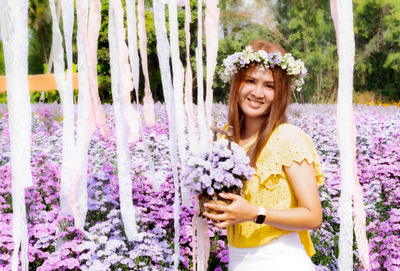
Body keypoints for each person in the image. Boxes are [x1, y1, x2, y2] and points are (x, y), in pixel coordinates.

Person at [202, 40, 325, 270]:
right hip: (238, 260)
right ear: (237, 83)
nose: (258, 93)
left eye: (269, 85)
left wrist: (254, 213)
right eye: (250, 81)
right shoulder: (224, 139)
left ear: (281, 93)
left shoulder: (287, 137)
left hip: (281, 260)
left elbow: (313, 216)